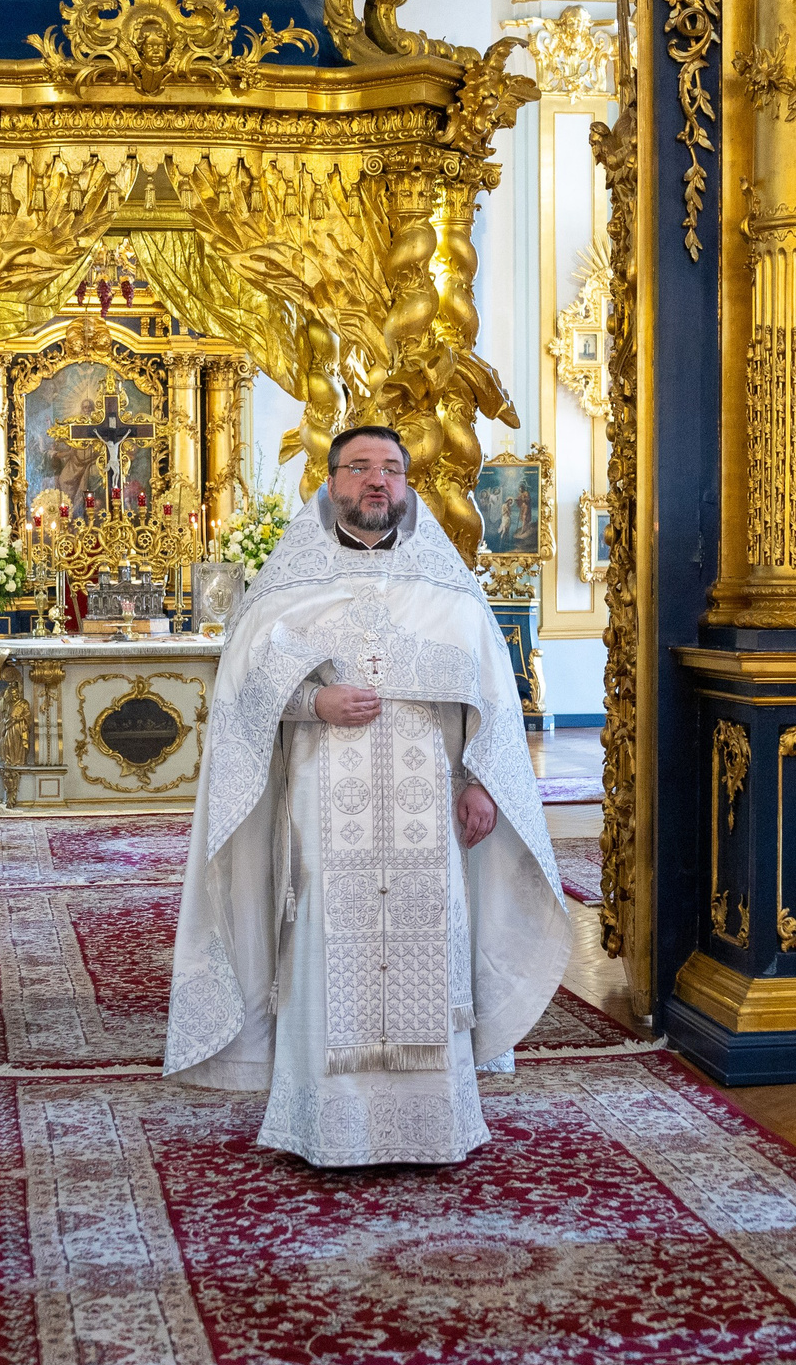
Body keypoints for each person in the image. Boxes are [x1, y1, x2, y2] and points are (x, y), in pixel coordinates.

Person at [163, 424, 570, 1165]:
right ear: (330, 484)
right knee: (324, 934)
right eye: (359, 468)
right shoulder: (287, 589)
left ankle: (435, 1125)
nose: (376, 481)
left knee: (434, 934)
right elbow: (243, 697)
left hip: (430, 812)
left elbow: (488, 698)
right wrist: (313, 703)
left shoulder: (447, 589)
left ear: (407, 486)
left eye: (390, 469)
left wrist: (480, 781)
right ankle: (328, 1126)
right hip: (325, 812)